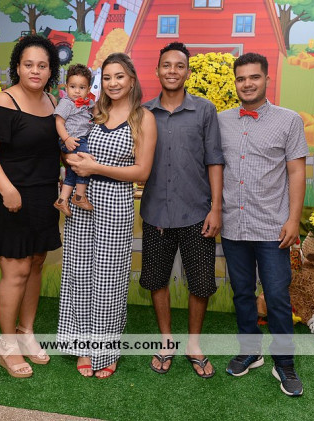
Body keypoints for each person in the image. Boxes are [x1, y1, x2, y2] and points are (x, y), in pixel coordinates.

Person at [57, 52, 157, 378]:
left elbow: (142, 171)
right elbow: (69, 147)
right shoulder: (93, 112)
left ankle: (105, 350)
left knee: (109, 279)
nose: (113, 83)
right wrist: (72, 160)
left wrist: (95, 168)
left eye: (119, 76)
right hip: (82, 202)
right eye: (108, 77)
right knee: (79, 273)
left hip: (115, 204)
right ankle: (82, 346)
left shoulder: (144, 118)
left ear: (132, 80)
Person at [218, 52, 308, 396]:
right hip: (234, 224)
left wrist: (294, 219)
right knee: (242, 292)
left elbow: (296, 171)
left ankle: (284, 363)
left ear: (267, 79)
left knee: (276, 296)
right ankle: (250, 351)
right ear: (235, 82)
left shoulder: (289, 120)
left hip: (273, 227)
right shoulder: (222, 120)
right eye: (241, 78)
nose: (247, 84)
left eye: (254, 77)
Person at [0, 35, 61, 378]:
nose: (35, 71)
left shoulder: (53, 102)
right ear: (17, 68)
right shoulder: (3, 102)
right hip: (9, 199)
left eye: (42, 65)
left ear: (51, 70)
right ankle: (7, 344)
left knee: (36, 265)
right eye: (28, 65)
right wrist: (7, 189)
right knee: (16, 272)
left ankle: (26, 333)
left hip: (42, 198)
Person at [139, 42, 224, 378]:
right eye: (166, 65)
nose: (172, 71)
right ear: (157, 70)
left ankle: (193, 344)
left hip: (197, 213)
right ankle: (166, 341)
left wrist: (216, 208)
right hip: (156, 213)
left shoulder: (205, 110)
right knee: (156, 280)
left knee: (201, 283)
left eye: (179, 66)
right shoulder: (144, 112)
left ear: (187, 72)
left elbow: (214, 160)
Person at [53, 63, 95, 217]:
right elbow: (59, 122)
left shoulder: (89, 104)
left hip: (79, 139)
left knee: (72, 171)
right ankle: (79, 196)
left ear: (88, 89)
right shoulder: (66, 103)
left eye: (82, 87)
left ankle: (62, 200)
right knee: (85, 162)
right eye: (73, 87)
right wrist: (66, 139)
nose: (77, 91)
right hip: (73, 139)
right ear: (66, 87)